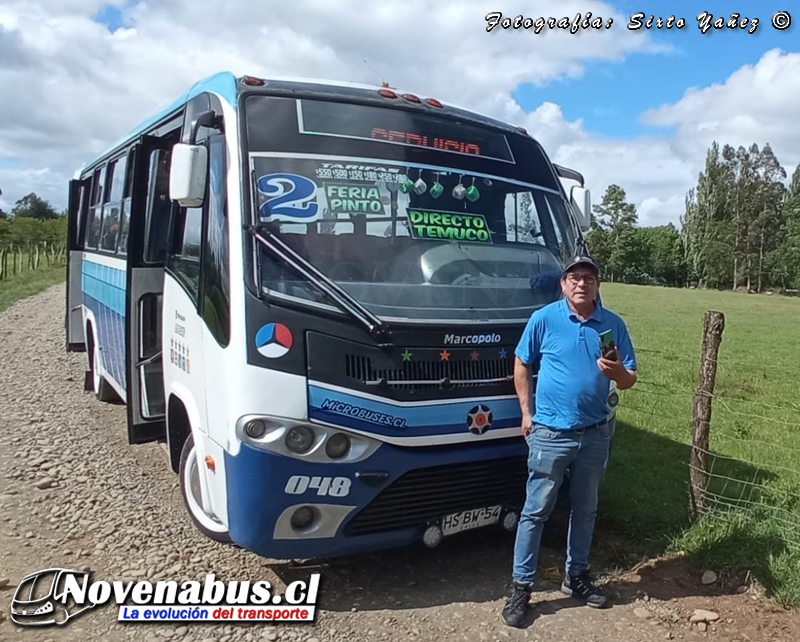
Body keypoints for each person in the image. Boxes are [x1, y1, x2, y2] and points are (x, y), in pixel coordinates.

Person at [501, 254, 637, 628]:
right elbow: (521, 363)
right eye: (574, 277)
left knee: (586, 508)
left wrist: (618, 372)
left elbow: (629, 380)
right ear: (563, 284)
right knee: (535, 510)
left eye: (589, 278)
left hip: (595, 433)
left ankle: (576, 575)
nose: (581, 283)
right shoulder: (543, 319)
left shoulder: (612, 325)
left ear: (598, 285)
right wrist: (526, 413)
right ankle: (521, 587)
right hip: (550, 433)